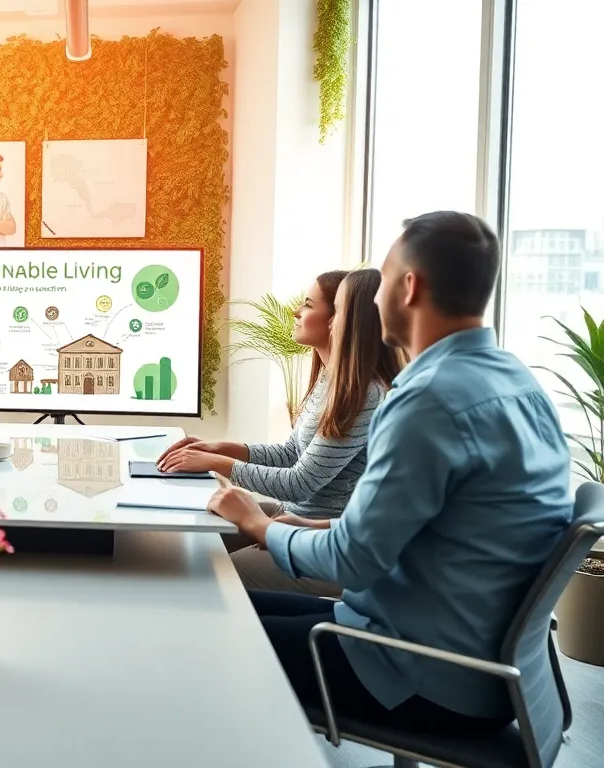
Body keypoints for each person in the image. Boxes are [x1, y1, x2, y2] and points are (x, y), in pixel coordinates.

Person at [208, 211, 572, 739]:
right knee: (217, 602)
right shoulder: (519, 382)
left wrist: (259, 525)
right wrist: (306, 526)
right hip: (471, 664)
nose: (373, 298)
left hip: (414, 671)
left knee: (201, 630)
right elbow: (424, 531)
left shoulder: (428, 400)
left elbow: (352, 560)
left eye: (383, 280)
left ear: (410, 286)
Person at [158, 269, 404, 596]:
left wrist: (216, 464)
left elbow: (300, 484)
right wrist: (221, 448)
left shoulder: (365, 395)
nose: (295, 312)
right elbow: (291, 454)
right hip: (298, 516)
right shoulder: (330, 380)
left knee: (210, 574)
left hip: (325, 539)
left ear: (342, 319)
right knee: (189, 540)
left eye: (309, 305)